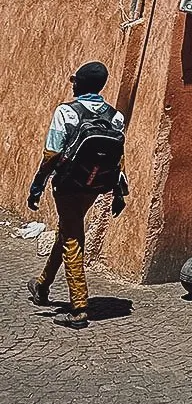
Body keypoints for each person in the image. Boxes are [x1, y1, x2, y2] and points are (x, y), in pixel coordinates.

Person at [26, 61, 128, 329]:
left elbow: (52, 154)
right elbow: (118, 159)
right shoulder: (115, 116)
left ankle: (79, 308)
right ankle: (42, 285)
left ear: (82, 84)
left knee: (72, 238)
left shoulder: (66, 112)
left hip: (68, 185)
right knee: (68, 229)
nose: (73, 84)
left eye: (75, 81)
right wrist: (119, 192)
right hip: (95, 187)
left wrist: (37, 185)